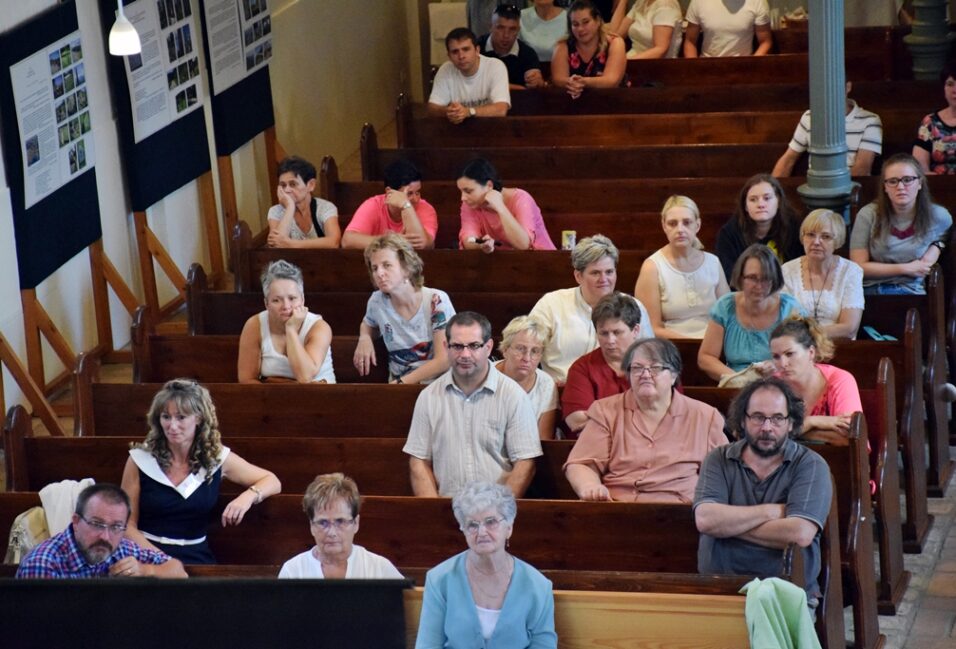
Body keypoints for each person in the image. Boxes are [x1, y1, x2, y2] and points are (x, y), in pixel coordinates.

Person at [694, 377, 833, 607]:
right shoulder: (718, 459)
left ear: (791, 423)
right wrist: (771, 512)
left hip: (787, 596)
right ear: (743, 420)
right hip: (720, 591)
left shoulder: (811, 465)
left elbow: (800, 534)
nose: (767, 427)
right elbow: (706, 520)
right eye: (758, 417)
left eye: (777, 418)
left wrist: (727, 526)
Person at [121, 379, 282, 564]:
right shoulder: (140, 460)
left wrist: (247, 497)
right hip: (145, 555)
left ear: (198, 418)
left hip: (195, 556)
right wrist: (163, 561)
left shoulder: (216, 458)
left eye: (181, 417)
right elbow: (127, 526)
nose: (172, 426)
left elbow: (272, 480)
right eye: (166, 417)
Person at [564, 338, 727, 502]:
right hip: (617, 508)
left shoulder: (705, 416)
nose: (645, 374)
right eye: (637, 368)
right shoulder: (605, 411)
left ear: (674, 375)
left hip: (681, 513)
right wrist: (590, 486)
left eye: (655, 368)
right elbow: (581, 463)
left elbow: (726, 471)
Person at [403, 312, 542, 498]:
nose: (465, 354)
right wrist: (433, 512)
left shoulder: (513, 396)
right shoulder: (428, 397)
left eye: (474, 346)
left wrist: (498, 511)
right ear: (446, 347)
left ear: (489, 347)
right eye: (457, 346)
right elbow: (418, 461)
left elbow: (525, 463)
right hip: (446, 507)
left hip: (497, 510)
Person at [415, 481, 557, 649]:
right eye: (472, 525)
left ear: (509, 528)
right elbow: (427, 645)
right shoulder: (439, 579)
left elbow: (544, 645)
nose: (482, 532)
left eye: (491, 522)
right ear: (463, 529)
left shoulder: (538, 586)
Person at [529, 234, 653, 384]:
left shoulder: (635, 306)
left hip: (618, 393)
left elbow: (649, 356)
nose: (604, 279)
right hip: (560, 390)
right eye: (595, 273)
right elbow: (529, 350)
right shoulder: (551, 304)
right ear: (578, 276)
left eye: (609, 272)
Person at [16, 483, 187, 579]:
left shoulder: (123, 549)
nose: (105, 536)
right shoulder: (43, 564)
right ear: (76, 521)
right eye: (97, 524)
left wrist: (145, 570)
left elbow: (178, 571)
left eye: (116, 527)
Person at [354, 234, 455, 384]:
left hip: (437, 384)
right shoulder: (377, 301)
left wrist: (401, 383)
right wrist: (365, 337)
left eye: (387, 265)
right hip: (399, 387)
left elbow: (444, 360)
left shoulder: (436, 300)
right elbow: (368, 324)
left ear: (406, 268)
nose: (379, 273)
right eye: (375, 268)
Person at [849, 152, 952, 295]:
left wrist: (937, 247)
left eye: (908, 180)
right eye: (892, 181)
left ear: (920, 183)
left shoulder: (939, 216)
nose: (901, 187)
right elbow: (857, 267)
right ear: (885, 186)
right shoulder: (868, 214)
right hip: (868, 290)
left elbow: (944, 237)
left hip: (910, 291)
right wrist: (907, 268)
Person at [698, 244, 804, 382]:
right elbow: (706, 357)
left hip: (780, 383)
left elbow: (803, 355)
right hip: (735, 385)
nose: (759, 286)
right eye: (752, 278)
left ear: (775, 279)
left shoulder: (790, 308)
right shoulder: (725, 306)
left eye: (765, 278)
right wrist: (738, 379)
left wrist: (777, 367)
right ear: (741, 278)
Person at [634, 195, 729, 339]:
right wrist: (692, 344)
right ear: (664, 226)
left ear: (697, 225)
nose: (680, 229)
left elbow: (728, 315)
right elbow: (651, 327)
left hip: (713, 344)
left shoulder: (713, 262)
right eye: (673, 223)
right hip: (671, 347)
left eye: (687, 222)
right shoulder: (652, 267)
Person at [278, 473, 402, 579]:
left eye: (340, 521)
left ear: (356, 523)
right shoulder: (293, 572)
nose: (332, 532)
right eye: (323, 523)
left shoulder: (380, 569)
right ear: (311, 526)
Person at [238, 260, 335, 384]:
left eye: (292, 298)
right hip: (270, 399)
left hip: (320, 398)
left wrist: (291, 330)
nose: (286, 306)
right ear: (266, 303)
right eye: (276, 300)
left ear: (302, 299)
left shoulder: (319, 327)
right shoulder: (254, 325)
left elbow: (305, 377)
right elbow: (247, 379)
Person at [561, 292, 643, 437]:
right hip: (596, 450)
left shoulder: (657, 365)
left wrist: (600, 419)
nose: (610, 340)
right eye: (603, 333)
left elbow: (670, 414)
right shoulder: (582, 368)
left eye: (617, 332)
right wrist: (638, 423)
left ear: (635, 330)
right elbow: (577, 422)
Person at [770, 317, 862, 445]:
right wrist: (812, 422)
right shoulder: (772, 385)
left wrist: (790, 430)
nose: (783, 363)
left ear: (811, 352)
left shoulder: (840, 380)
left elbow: (849, 438)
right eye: (776, 357)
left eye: (790, 354)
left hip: (834, 462)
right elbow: (758, 432)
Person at [781, 209, 864, 340]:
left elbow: (849, 328)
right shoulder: (787, 270)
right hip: (797, 348)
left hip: (841, 349)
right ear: (803, 238)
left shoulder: (851, 271)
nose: (816, 242)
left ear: (837, 241)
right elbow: (784, 323)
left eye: (826, 237)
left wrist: (806, 334)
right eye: (810, 235)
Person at [772, 82, 883, 178]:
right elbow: (788, 160)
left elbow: (862, 169)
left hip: (850, 190)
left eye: (834, 86)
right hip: (814, 187)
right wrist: (772, 191)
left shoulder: (870, 120)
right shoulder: (809, 117)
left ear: (848, 87)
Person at [715, 173, 803, 281]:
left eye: (767, 198)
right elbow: (729, 277)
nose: (761, 204)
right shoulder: (729, 234)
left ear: (779, 201)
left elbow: (799, 269)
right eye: (753, 199)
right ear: (745, 206)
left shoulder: (794, 228)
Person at [457, 158, 556, 252]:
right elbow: (468, 239)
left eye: (468, 191)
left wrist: (500, 207)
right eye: (461, 191)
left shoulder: (521, 199)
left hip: (541, 261)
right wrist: (481, 245)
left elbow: (523, 245)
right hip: (501, 265)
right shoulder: (470, 204)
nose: (463, 198)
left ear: (489, 186)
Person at [342, 159, 438, 251]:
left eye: (417, 192)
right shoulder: (373, 205)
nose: (416, 199)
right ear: (389, 192)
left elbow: (422, 245)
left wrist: (406, 206)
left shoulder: (426, 208)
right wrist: (391, 241)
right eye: (409, 193)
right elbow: (347, 241)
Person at [427, 27, 511, 123]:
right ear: (449, 56)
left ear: (477, 50)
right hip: (457, 132)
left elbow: (501, 109)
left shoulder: (495, 66)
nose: (461, 56)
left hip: (492, 130)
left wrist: (468, 112)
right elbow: (432, 108)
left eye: (466, 49)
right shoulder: (445, 70)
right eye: (455, 52)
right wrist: (449, 112)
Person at [495, 316, 558, 440]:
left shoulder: (546, 384)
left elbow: (543, 440)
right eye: (520, 349)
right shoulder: (484, 376)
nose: (527, 358)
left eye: (535, 351)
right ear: (505, 349)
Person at [551, 0, 627, 100]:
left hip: (613, 100)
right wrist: (573, 83)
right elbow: (558, 79)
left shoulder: (615, 43)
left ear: (598, 21)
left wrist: (582, 82)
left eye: (585, 22)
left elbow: (611, 81)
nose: (580, 29)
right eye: (575, 24)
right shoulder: (563, 46)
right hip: (572, 104)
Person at [266, 155, 341, 248]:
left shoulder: (325, 208)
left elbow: (333, 242)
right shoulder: (275, 211)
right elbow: (276, 248)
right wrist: (290, 207)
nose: (287, 190)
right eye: (283, 185)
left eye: (293, 184)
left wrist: (290, 244)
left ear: (311, 185)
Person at [477, 4, 546, 89]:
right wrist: (515, 87)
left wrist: (538, 82)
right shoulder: (476, 48)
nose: (506, 35)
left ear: (518, 30)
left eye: (512, 29)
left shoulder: (528, 53)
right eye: (500, 28)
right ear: (490, 27)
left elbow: (537, 86)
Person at [683, 0, 772, 58]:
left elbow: (765, 42)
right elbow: (690, 41)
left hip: (743, 69)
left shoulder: (758, 2)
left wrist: (751, 66)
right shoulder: (699, 2)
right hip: (707, 68)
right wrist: (694, 70)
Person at [912, 63, 956, 175]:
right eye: (950, 84)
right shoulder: (930, 122)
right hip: (938, 188)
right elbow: (920, 168)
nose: (955, 90)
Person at [608, 0, 683, 59]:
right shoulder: (641, 2)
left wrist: (624, 62)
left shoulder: (666, 6)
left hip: (654, 66)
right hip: (633, 58)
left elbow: (660, 50)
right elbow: (615, 33)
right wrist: (623, 2)